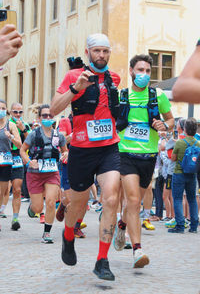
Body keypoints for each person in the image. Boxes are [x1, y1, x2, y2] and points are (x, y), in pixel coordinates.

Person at [50, 33, 121, 281]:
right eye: (97, 51)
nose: (101, 55)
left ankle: (102, 260)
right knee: (78, 204)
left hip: (109, 148)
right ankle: (68, 235)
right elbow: (54, 108)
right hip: (81, 149)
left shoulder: (114, 79)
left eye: (106, 51)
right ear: (88, 51)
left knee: (111, 198)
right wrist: (76, 88)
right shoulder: (73, 76)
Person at [113, 54, 174, 268]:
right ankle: (138, 250)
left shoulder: (158, 95)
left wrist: (164, 126)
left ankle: (122, 224)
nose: (144, 75)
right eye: (140, 70)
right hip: (126, 153)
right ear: (131, 71)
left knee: (134, 203)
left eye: (148, 71)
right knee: (132, 200)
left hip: (148, 157)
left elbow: (171, 120)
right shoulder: (122, 95)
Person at [20, 104, 68, 243]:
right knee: (38, 207)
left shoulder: (58, 135)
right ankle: (32, 208)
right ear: (39, 118)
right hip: (34, 173)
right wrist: (29, 162)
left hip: (52, 172)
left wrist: (65, 154)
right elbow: (23, 150)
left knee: (51, 202)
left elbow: (65, 150)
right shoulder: (34, 134)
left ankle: (47, 233)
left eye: (50, 115)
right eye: (44, 115)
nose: (47, 118)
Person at [169, 117, 199, 233]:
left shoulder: (180, 143)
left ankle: (180, 226)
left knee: (177, 199)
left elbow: (173, 158)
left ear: (185, 129)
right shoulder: (198, 143)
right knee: (192, 199)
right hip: (192, 174)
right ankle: (193, 227)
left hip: (179, 173)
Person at [9, 102, 31, 230]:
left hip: (18, 157)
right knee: (4, 190)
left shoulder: (26, 125)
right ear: (10, 112)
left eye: (20, 112)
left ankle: (15, 218)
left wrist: (23, 129)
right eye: (15, 112)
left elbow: (30, 141)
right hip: (6, 156)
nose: (18, 114)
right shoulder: (6, 124)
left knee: (17, 190)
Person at [0, 99, 22, 230]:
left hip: (10, 160)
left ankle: (15, 218)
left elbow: (20, 145)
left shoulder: (11, 125)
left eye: (3, 108)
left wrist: (11, 137)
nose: (1, 111)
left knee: (14, 190)